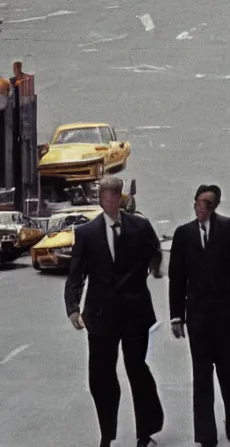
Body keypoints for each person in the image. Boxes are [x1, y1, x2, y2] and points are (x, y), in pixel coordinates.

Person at [64, 176, 165, 447]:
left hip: (135, 314)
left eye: (111, 197)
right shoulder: (87, 234)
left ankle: (146, 432)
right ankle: (107, 434)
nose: (107, 201)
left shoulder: (139, 226)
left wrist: (151, 270)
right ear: (99, 199)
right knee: (101, 377)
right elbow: (76, 275)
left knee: (137, 371)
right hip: (100, 317)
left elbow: (155, 250)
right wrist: (73, 308)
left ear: (119, 198)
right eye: (103, 197)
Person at [169, 184, 230, 447]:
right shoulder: (183, 235)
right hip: (197, 319)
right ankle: (206, 436)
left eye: (207, 204)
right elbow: (177, 278)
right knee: (201, 375)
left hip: (227, 318)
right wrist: (177, 316)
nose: (201, 208)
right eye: (198, 202)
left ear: (215, 206)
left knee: (229, 373)